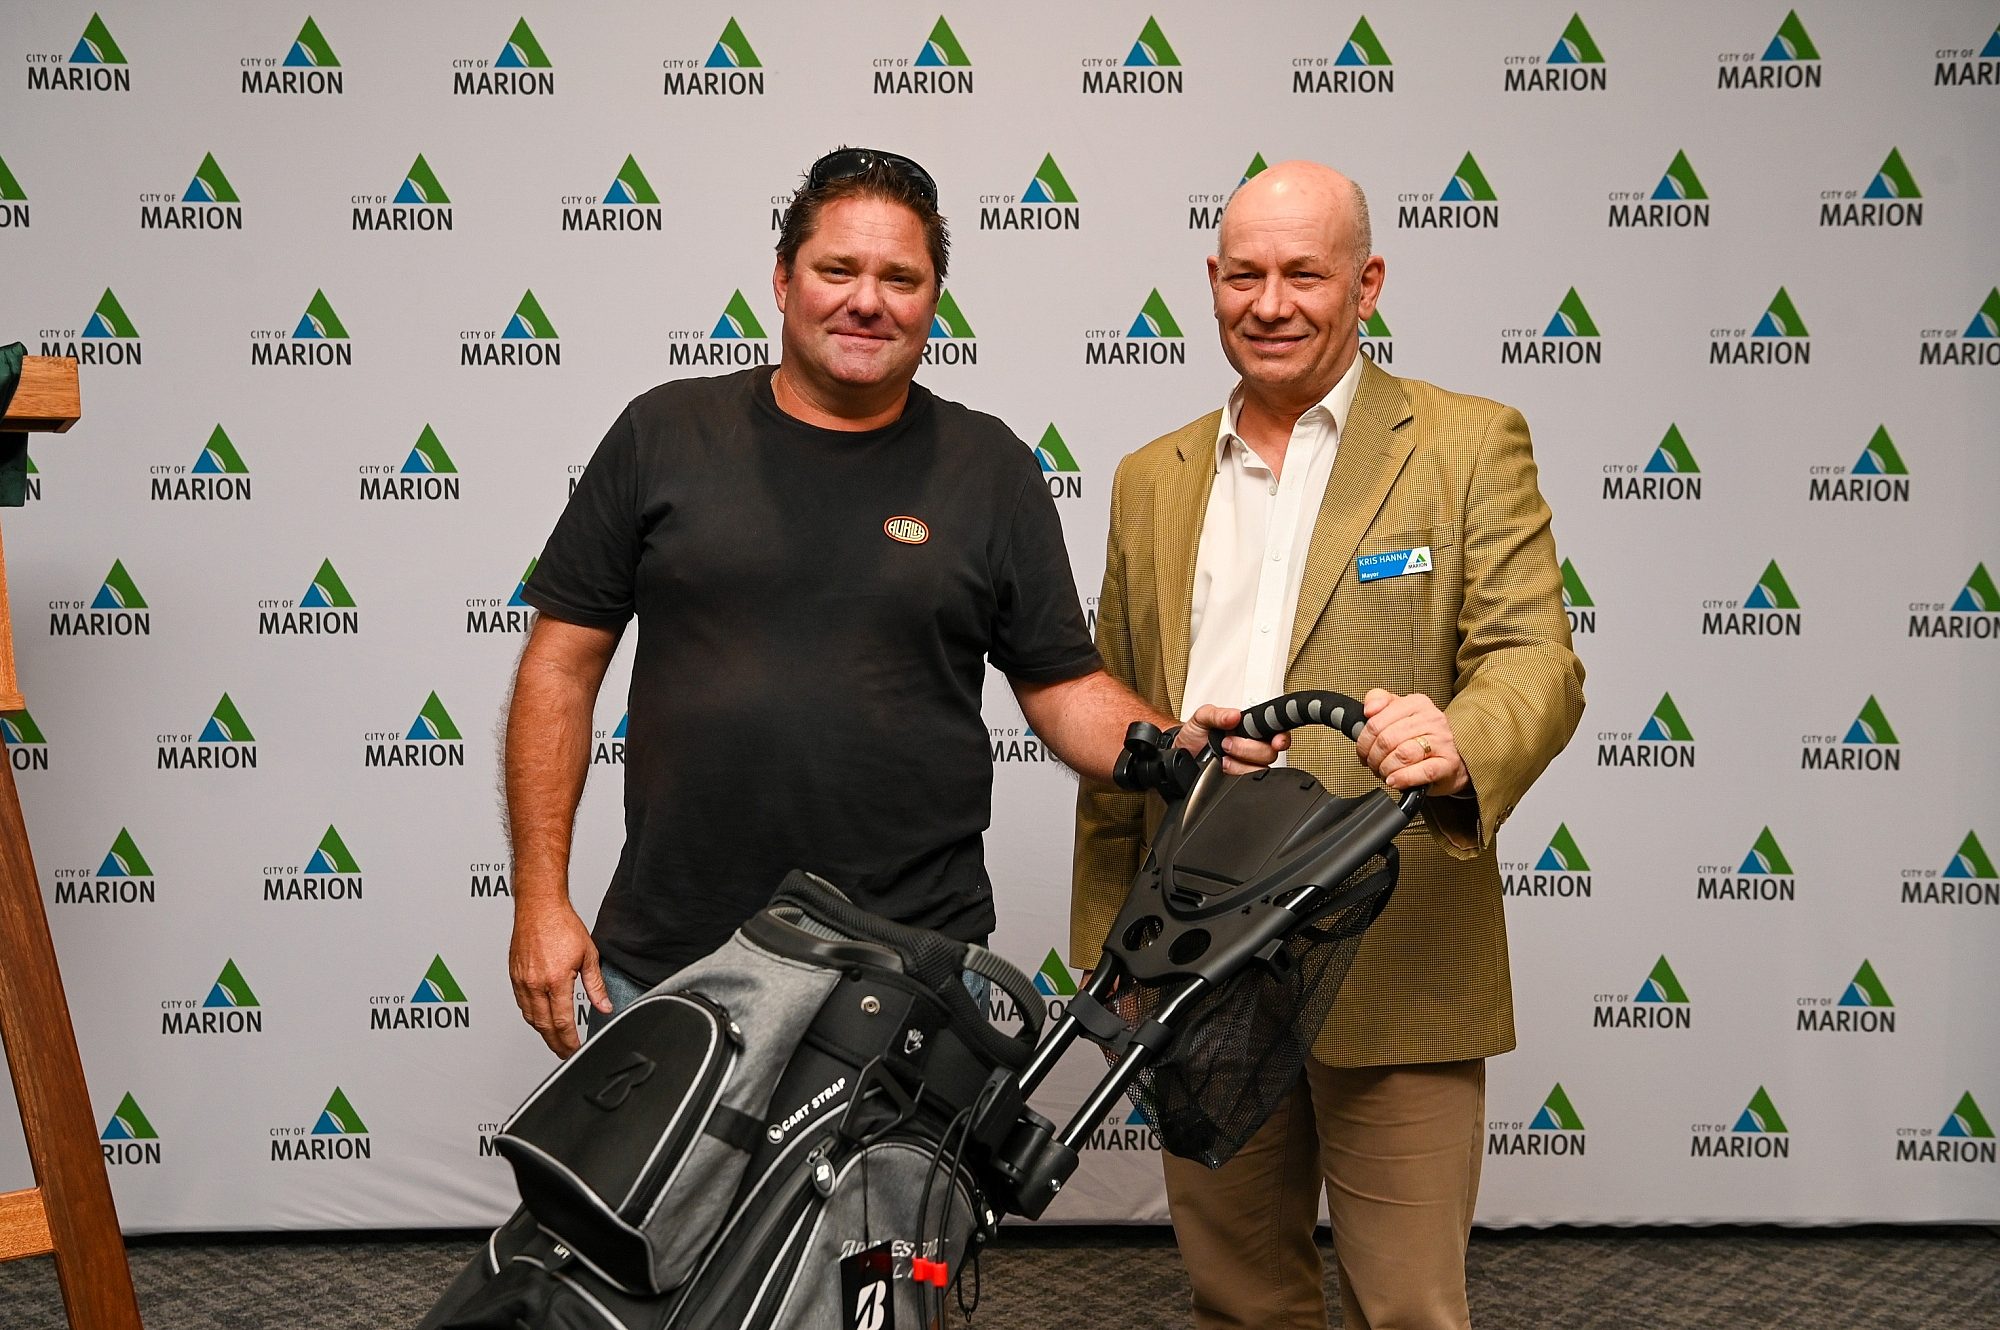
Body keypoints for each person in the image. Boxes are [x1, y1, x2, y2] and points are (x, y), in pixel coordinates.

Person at [504, 148, 1276, 1058]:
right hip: (674, 961)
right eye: (838, 270)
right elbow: (560, 666)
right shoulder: (661, 433)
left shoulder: (991, 469)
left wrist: (1166, 747)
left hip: (912, 975)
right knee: (664, 1209)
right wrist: (540, 901)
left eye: (900, 278)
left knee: (887, 1209)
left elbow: (1065, 688)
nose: (867, 300)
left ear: (932, 301)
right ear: (784, 282)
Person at [1071, 161, 1585, 1329]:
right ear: (1209, 283)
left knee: (1408, 1307)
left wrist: (1458, 740)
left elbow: (1535, 659)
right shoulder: (1148, 477)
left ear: (1366, 283)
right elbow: (1117, 710)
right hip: (1199, 950)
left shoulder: (1464, 442)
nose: (1270, 301)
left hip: (1393, 943)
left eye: (1303, 272)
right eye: (1243, 274)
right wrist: (1115, 947)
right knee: (1237, 1297)